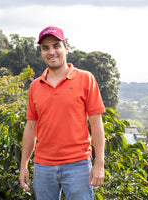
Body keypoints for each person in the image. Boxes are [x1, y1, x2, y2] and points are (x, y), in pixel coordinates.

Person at [19, 26, 106, 200]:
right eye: (45, 48)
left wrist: (99, 163)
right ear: (41, 52)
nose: (51, 52)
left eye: (56, 46)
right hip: (43, 167)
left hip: (78, 166)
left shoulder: (85, 78)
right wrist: (24, 165)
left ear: (66, 48)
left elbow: (96, 124)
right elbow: (30, 128)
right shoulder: (35, 86)